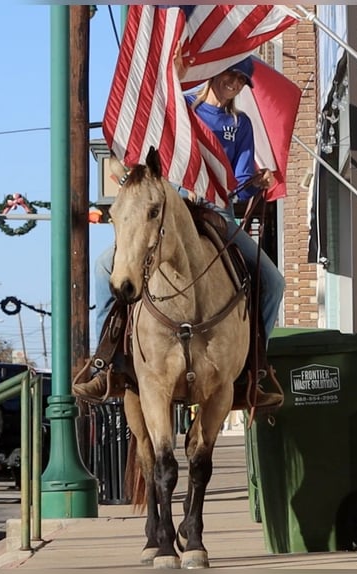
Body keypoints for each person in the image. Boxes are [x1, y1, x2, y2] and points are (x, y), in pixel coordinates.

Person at [74, 57, 285, 407]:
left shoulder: (240, 124)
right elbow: (151, 151)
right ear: (213, 73)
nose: (234, 83)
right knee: (103, 268)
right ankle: (105, 364)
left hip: (217, 212)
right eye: (230, 74)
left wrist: (257, 182)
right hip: (169, 210)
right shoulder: (180, 109)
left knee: (273, 281)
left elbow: (241, 182)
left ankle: (254, 370)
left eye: (240, 80)